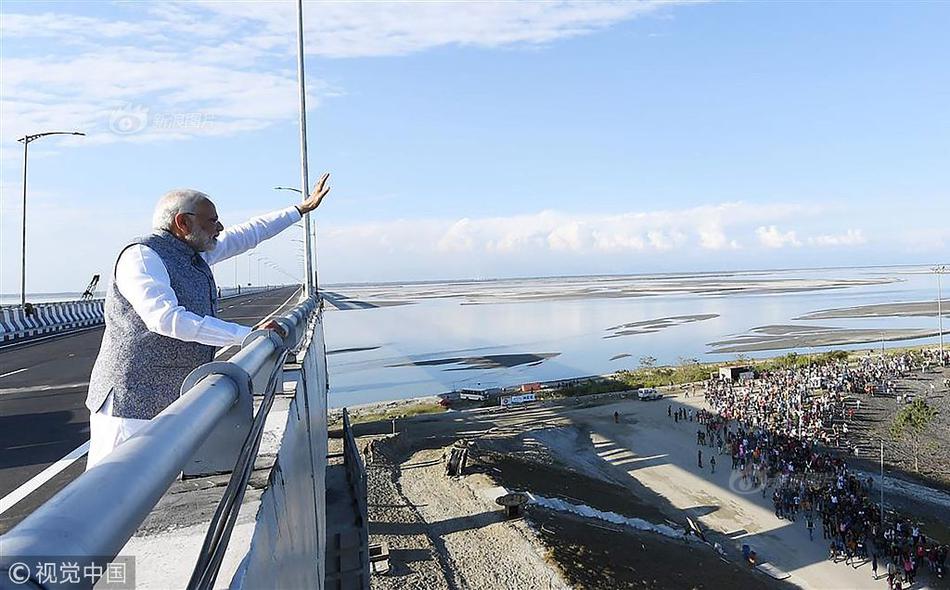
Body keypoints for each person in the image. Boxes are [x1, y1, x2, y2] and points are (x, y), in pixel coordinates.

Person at [84, 174, 331, 469]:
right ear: (183, 223)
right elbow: (165, 319)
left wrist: (299, 210)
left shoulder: (192, 254)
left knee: (156, 489)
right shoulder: (143, 256)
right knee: (115, 489)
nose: (220, 227)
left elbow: (248, 235)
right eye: (212, 220)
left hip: (172, 399)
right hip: (130, 402)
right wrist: (246, 336)